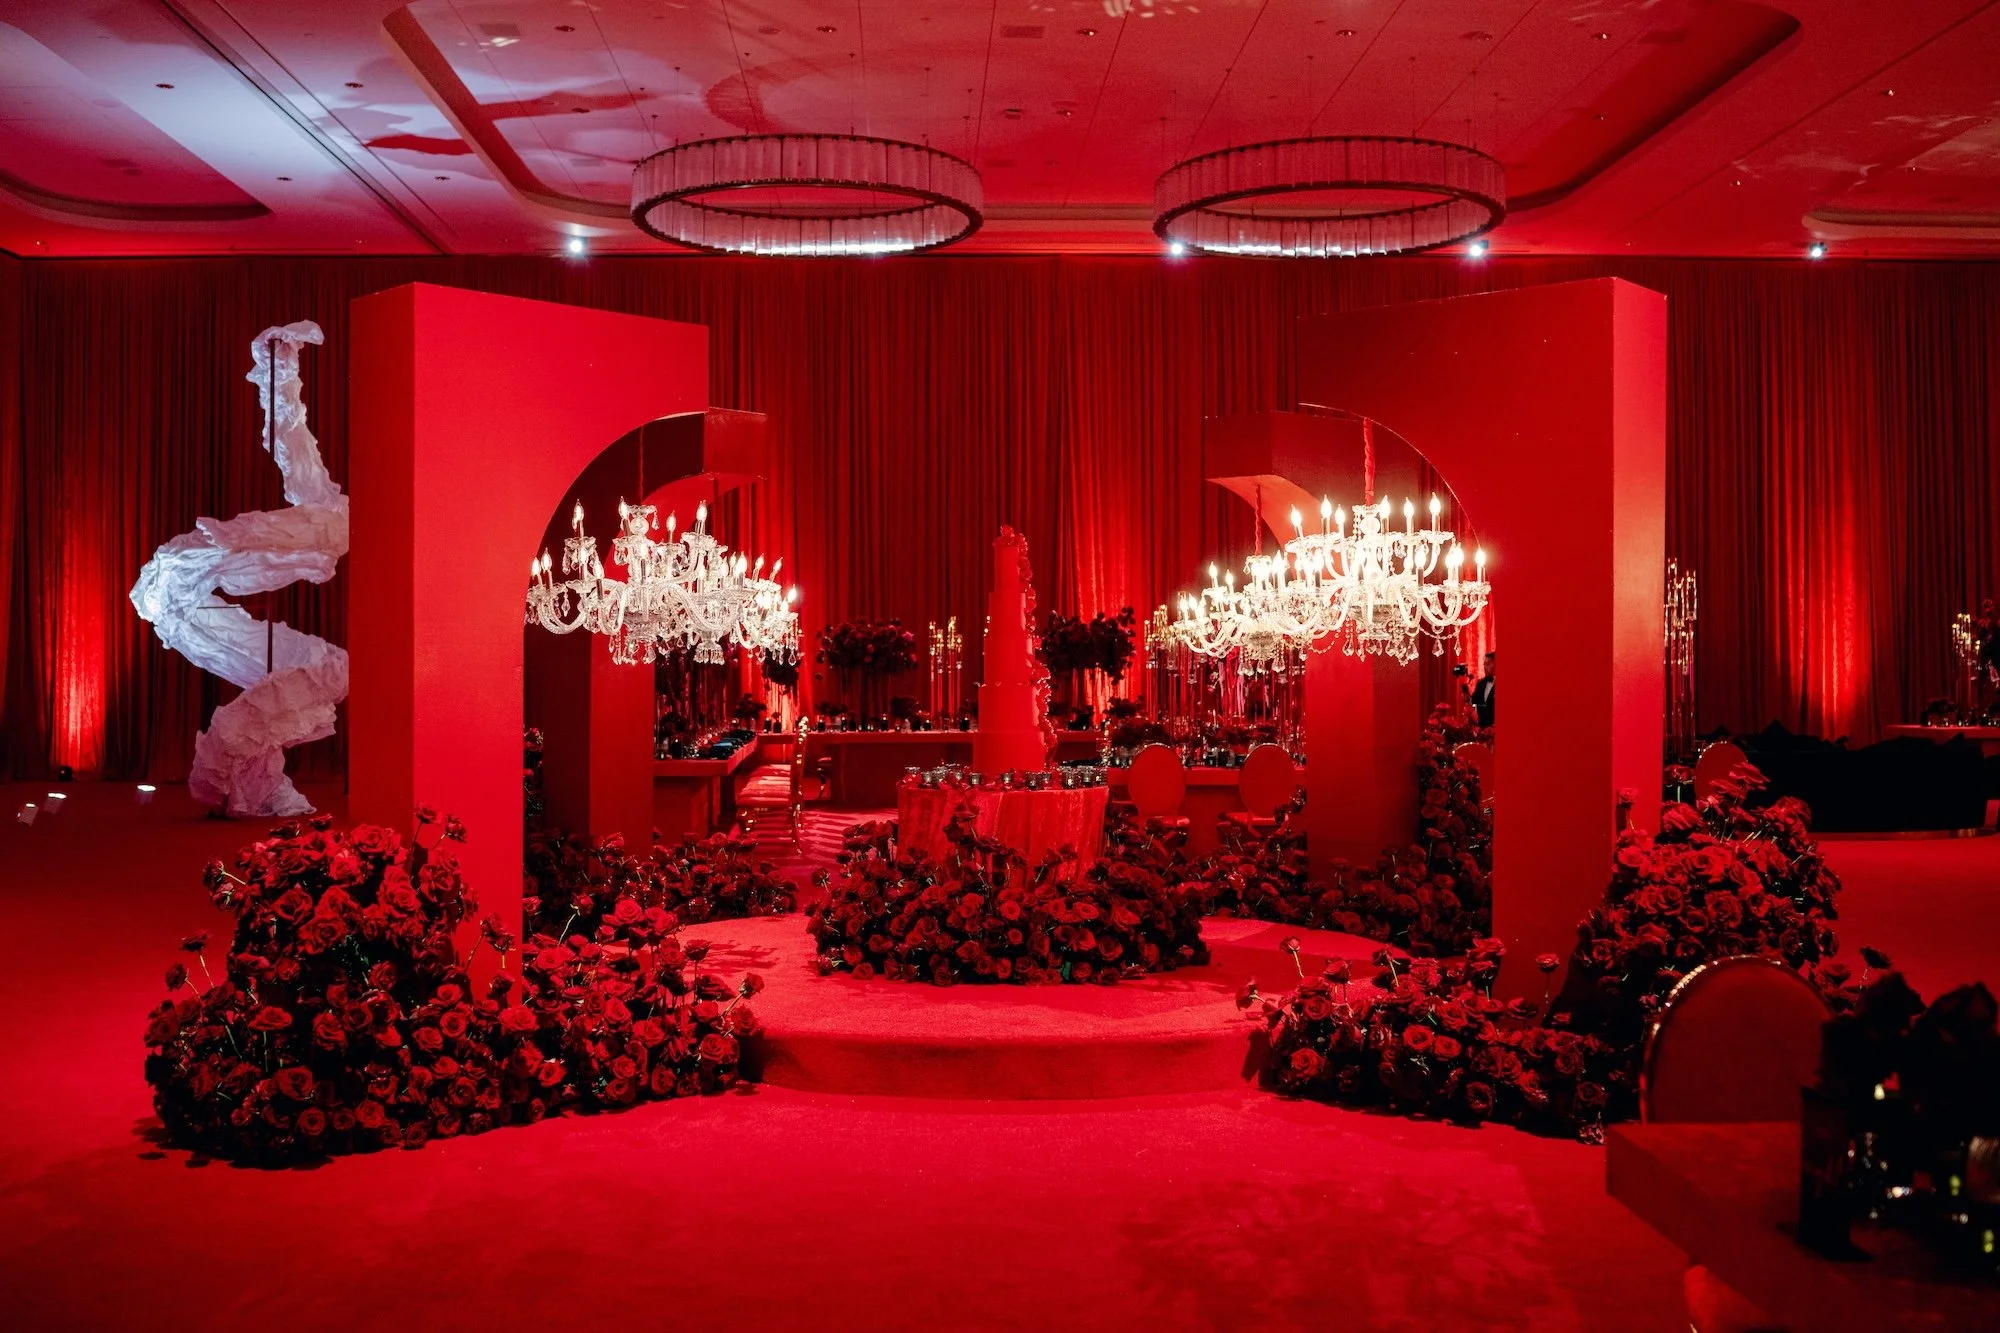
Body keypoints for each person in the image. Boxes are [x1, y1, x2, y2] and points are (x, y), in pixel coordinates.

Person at [1470, 651, 1496, 729]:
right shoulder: (1480, 683)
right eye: (1484, 664)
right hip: (1481, 729)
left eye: (1488, 664)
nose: (1485, 667)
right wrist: (1469, 700)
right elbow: (1475, 703)